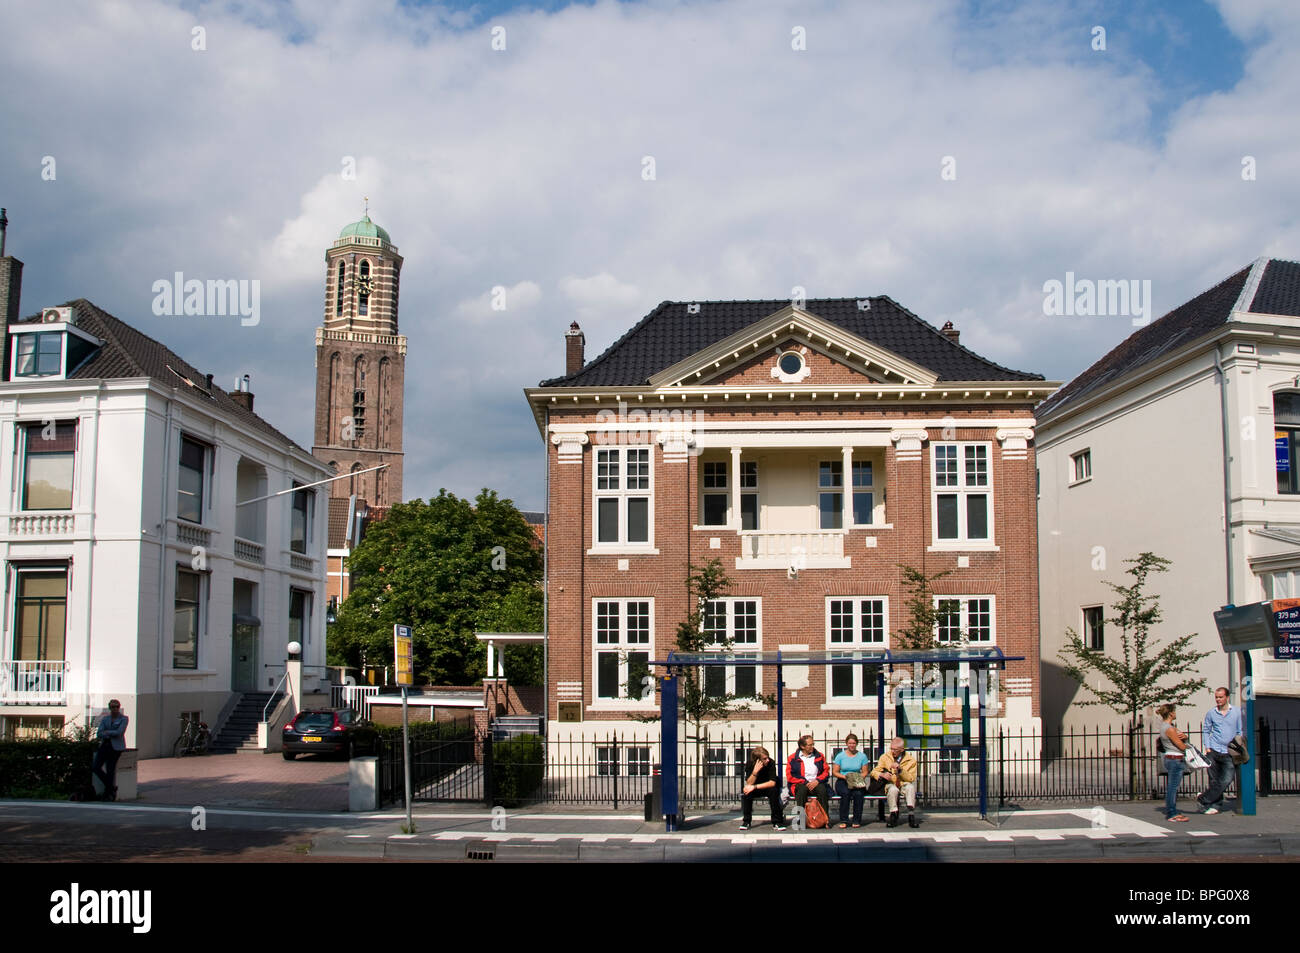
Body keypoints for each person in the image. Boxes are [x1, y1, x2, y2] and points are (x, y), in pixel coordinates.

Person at [1197, 686, 1241, 815]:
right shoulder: (1212, 713)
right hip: (1214, 750)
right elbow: (1206, 730)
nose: (1218, 699)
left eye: (1221, 697)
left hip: (1229, 752)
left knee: (1226, 779)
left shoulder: (1236, 712)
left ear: (1227, 697)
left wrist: (1237, 747)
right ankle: (1215, 805)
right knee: (1214, 779)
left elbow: (1240, 731)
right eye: (1216, 697)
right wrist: (1207, 747)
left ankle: (1204, 798)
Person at [872, 737, 919, 828]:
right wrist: (882, 775)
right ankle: (893, 814)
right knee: (893, 789)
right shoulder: (885, 757)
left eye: (895, 750)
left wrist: (901, 770)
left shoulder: (911, 760)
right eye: (891, 748)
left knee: (910, 787)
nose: (893, 751)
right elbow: (874, 772)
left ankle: (911, 814)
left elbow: (911, 778)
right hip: (891, 783)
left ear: (902, 749)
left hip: (903, 783)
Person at [1156, 704, 1190, 822]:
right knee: (1173, 787)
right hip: (1175, 759)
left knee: (1172, 786)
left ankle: (1173, 810)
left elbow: (1182, 737)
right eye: (1174, 711)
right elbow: (1180, 745)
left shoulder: (1167, 726)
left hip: (1171, 758)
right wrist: (1187, 744)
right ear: (1170, 713)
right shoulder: (1169, 728)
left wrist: (1184, 737)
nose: (1175, 713)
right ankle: (1171, 813)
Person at [786, 734, 830, 825]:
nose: (812, 747)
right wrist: (805, 782)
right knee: (801, 790)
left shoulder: (819, 756)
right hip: (801, 783)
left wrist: (817, 780)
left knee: (822, 790)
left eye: (813, 744)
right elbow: (790, 776)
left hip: (816, 782)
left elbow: (826, 771)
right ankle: (801, 819)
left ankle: (825, 819)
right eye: (810, 745)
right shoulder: (792, 758)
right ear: (802, 746)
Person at [739, 746, 785, 830]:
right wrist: (755, 772)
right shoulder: (750, 764)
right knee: (747, 794)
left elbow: (772, 782)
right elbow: (749, 783)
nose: (767, 760)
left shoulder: (771, 763)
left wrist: (754, 787)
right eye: (764, 758)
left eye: (767, 757)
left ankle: (777, 821)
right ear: (758, 760)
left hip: (767, 786)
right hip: (755, 786)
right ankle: (746, 821)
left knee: (774, 792)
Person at [92, 699, 128, 801]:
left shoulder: (124, 719)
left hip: (116, 748)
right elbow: (99, 733)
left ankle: (108, 793)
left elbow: (120, 732)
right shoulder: (105, 719)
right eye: (113, 707)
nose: (115, 709)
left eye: (117, 707)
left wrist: (107, 732)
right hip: (105, 745)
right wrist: (111, 732)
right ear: (110, 708)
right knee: (96, 767)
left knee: (110, 769)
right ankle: (111, 788)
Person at [831, 733, 869, 828]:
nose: (852, 745)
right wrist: (845, 777)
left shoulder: (862, 756)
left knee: (858, 794)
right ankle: (844, 820)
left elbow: (865, 772)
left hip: (856, 779)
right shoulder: (840, 756)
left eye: (854, 743)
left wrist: (858, 779)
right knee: (845, 793)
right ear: (846, 744)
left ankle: (856, 820)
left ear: (856, 744)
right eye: (850, 743)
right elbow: (835, 772)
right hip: (843, 779)